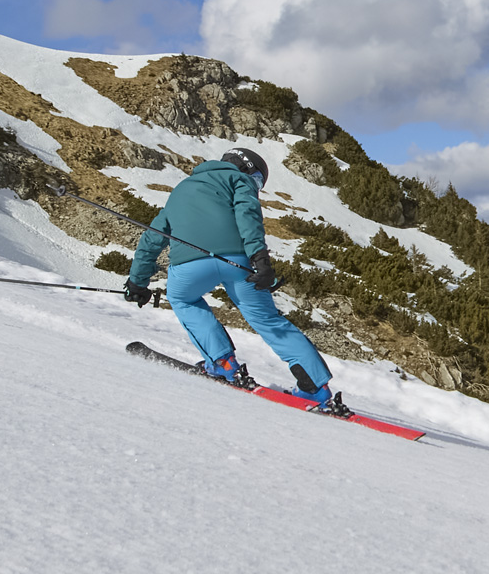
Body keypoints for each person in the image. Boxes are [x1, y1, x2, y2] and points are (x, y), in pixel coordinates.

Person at [121, 147, 353, 416]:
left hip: (189, 266)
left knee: (183, 299)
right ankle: (315, 388)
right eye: (257, 181)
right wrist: (260, 259)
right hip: (239, 262)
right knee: (266, 319)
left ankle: (222, 363)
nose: (255, 187)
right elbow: (247, 215)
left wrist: (137, 282)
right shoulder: (239, 180)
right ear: (247, 170)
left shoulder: (182, 189)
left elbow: (152, 238)